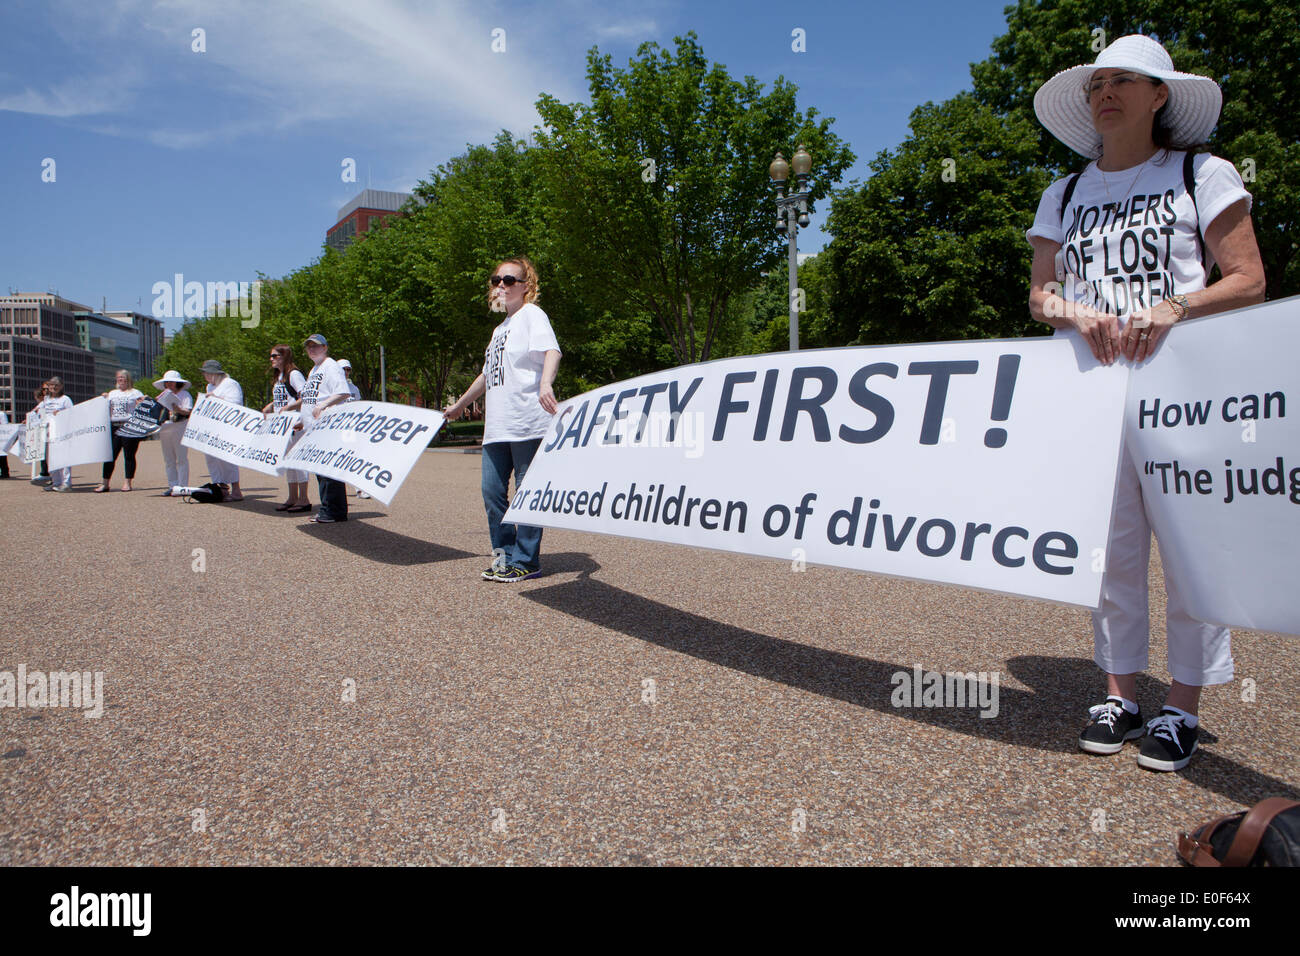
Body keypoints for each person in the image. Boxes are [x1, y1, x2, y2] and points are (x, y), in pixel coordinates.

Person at [1027, 35, 1265, 771]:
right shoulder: (1063, 194)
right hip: (1094, 393)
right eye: (1098, 82)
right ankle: (1121, 695)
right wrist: (1072, 311)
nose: (1106, 93)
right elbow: (1040, 294)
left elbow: (1249, 278)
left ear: (1160, 95)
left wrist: (1174, 307)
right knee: (1110, 555)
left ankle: (1181, 709)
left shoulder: (1203, 172)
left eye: (1125, 81)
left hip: (1186, 389)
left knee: (1192, 553)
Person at [444, 256, 561, 582]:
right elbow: (486, 376)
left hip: (527, 422)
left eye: (509, 280)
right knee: (492, 493)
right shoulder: (499, 330)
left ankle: (526, 560)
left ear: (526, 287)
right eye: (497, 279)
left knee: (527, 495)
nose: (501, 285)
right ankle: (502, 558)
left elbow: (552, 351)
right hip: (497, 427)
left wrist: (545, 383)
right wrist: (459, 407)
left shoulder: (531, 315)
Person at [279, 334, 351, 523]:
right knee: (321, 470)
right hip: (313, 428)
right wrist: (304, 420)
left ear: (325, 347)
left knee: (328, 471)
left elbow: (343, 392)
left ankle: (334, 511)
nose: (312, 349)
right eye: (309, 347)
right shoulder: (314, 369)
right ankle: (328, 509)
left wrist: (324, 405)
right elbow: (311, 400)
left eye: (316, 346)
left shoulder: (330, 366)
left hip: (327, 426)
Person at [262, 345, 311, 512]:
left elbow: (306, 396)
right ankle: (292, 497)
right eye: (271, 356)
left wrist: (290, 408)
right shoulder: (280, 376)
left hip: (295, 424)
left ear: (285, 356)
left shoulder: (294, 374)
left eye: (275, 356)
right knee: (288, 462)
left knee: (298, 461)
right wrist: (271, 406)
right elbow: (283, 398)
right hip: (283, 425)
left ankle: (304, 499)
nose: (271, 359)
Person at [199, 359, 245, 501]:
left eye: (206, 373)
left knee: (228, 459)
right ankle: (221, 488)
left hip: (227, 427)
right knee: (212, 459)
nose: (205, 376)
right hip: (213, 427)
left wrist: (216, 398)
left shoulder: (230, 384)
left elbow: (236, 403)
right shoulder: (210, 387)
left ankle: (236, 490)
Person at [95, 369, 146, 492]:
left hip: (129, 426)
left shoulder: (135, 393)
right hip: (114, 426)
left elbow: (143, 405)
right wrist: (102, 398)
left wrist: (143, 402)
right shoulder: (112, 393)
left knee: (129, 455)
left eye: (123, 377)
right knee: (110, 455)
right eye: (119, 377)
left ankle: (127, 482)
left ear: (128, 379)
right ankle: (105, 483)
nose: (121, 379)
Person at [154, 370, 194, 495]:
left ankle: (182, 486)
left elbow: (188, 411)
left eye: (172, 382)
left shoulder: (185, 394)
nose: (169, 385)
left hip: (180, 425)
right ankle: (172, 485)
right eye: (167, 382)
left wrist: (178, 409)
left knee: (181, 458)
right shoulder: (163, 395)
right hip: (166, 426)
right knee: (168, 458)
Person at [337, 359, 369, 499]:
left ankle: (360, 489)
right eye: (343, 369)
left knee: (354, 457)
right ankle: (337, 490)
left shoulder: (354, 389)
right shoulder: (332, 388)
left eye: (348, 369)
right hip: (336, 429)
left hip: (351, 428)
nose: (346, 372)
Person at [39, 377, 75, 491]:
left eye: (56, 385)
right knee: (51, 459)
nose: (53, 387)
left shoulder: (65, 399)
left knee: (63, 458)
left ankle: (66, 482)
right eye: (51, 385)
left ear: (61, 386)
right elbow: (40, 413)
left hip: (61, 432)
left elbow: (72, 414)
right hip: (48, 432)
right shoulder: (46, 400)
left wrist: (61, 413)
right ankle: (56, 482)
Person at [28, 385, 51, 485]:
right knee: (43, 453)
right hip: (42, 431)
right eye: (44, 389)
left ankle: (47, 473)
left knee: (48, 454)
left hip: (50, 431)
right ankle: (44, 472)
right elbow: (34, 412)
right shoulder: (43, 403)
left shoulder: (50, 402)